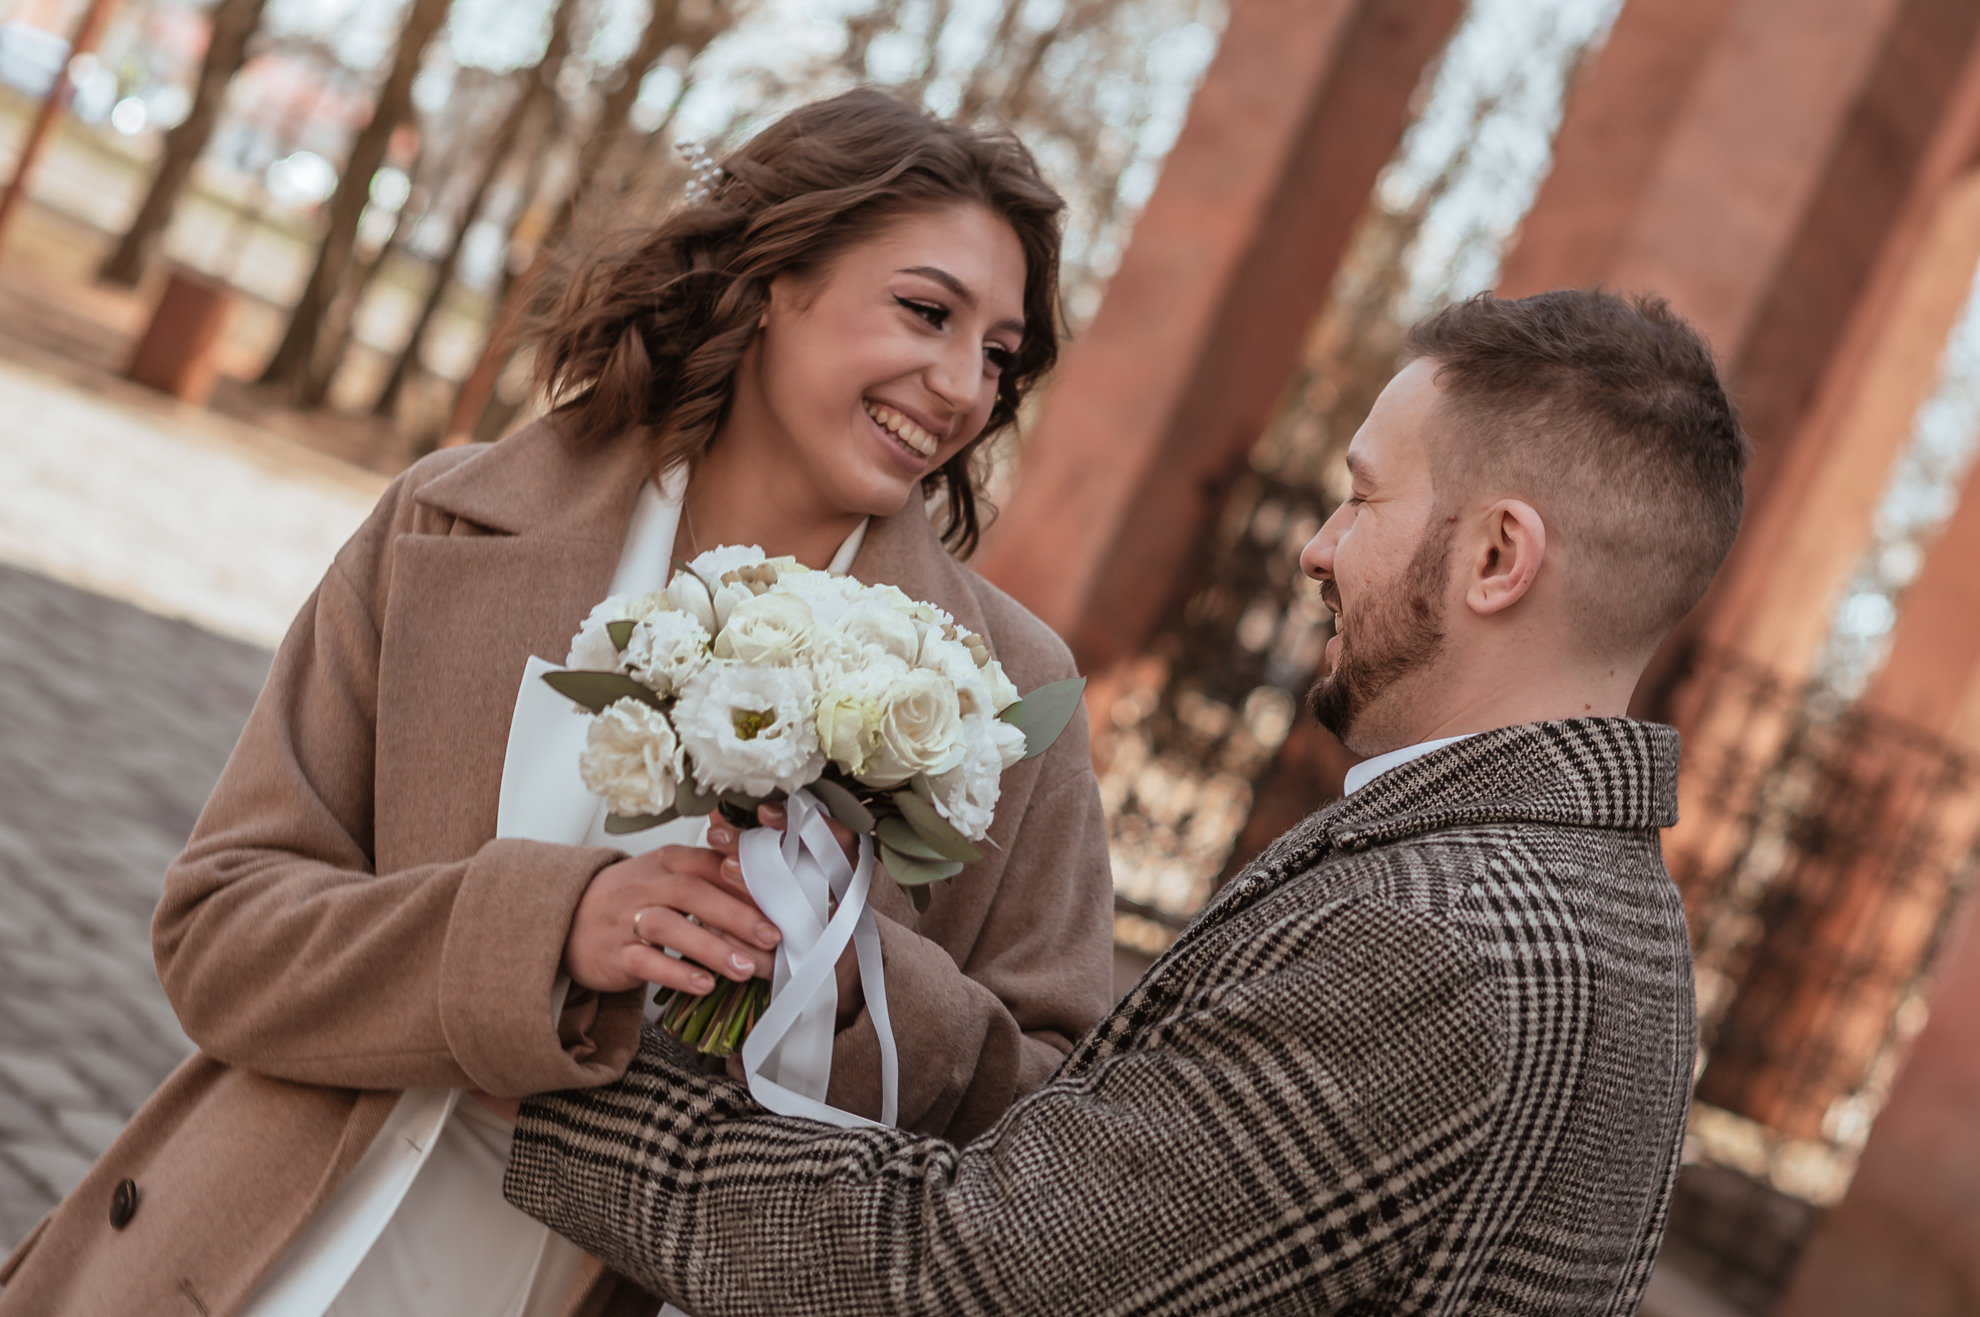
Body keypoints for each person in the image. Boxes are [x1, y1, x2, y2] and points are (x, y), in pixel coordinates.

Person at [0, 90, 1115, 1316]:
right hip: (240, 1262)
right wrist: (551, 935)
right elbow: (221, 935)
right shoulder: (447, 524)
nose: (962, 386)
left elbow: (1053, 1131)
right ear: (771, 278)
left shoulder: (1001, 699)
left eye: (999, 355)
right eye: (926, 311)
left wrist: (853, 989)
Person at [499, 288, 1748, 1314]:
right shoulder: (1617, 913)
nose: (1319, 547)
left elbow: (974, 1279)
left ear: (1496, 558)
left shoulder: (1432, 938)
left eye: (1364, 497)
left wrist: (557, 1080)